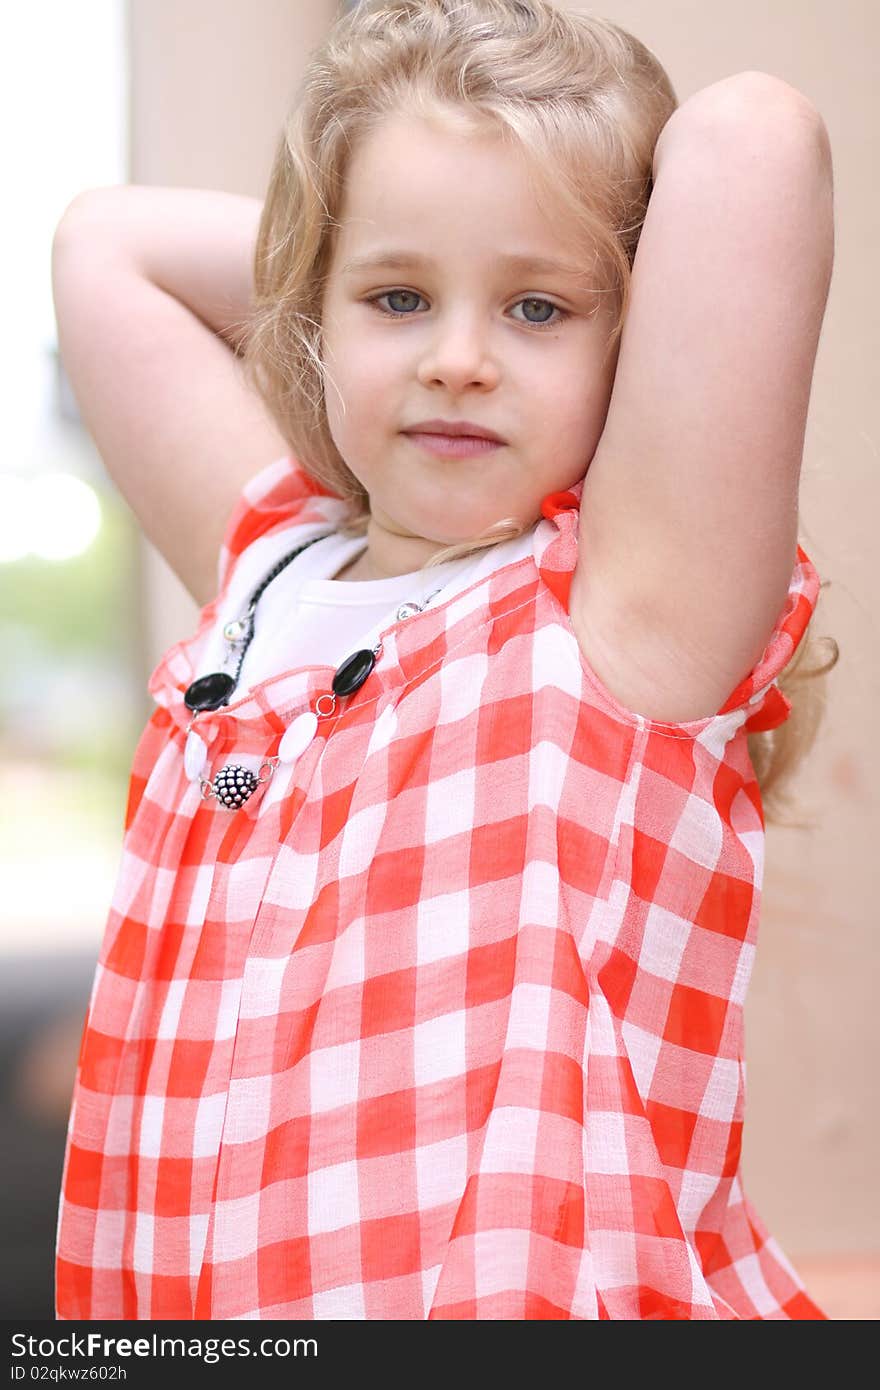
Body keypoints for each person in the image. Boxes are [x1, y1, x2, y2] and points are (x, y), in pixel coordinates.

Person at [51, 0, 836, 1320]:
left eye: (537, 307)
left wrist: (452, 251)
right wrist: (337, 250)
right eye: (398, 296)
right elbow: (99, 243)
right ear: (317, 309)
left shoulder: (626, 612)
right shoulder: (266, 573)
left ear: (638, 336)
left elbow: (758, 139)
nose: (458, 360)